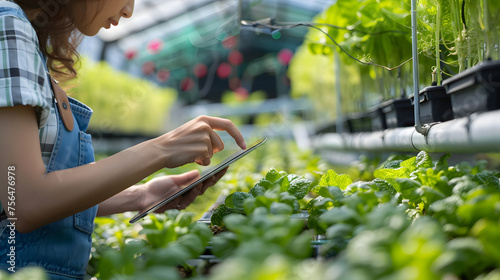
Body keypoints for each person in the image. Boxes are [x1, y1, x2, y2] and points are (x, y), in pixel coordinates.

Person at [0, 0, 247, 279]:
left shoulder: (24, 38)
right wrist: (163, 148)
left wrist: (139, 195)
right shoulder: (8, 23)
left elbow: (23, 195)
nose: (129, 10)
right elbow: (25, 202)